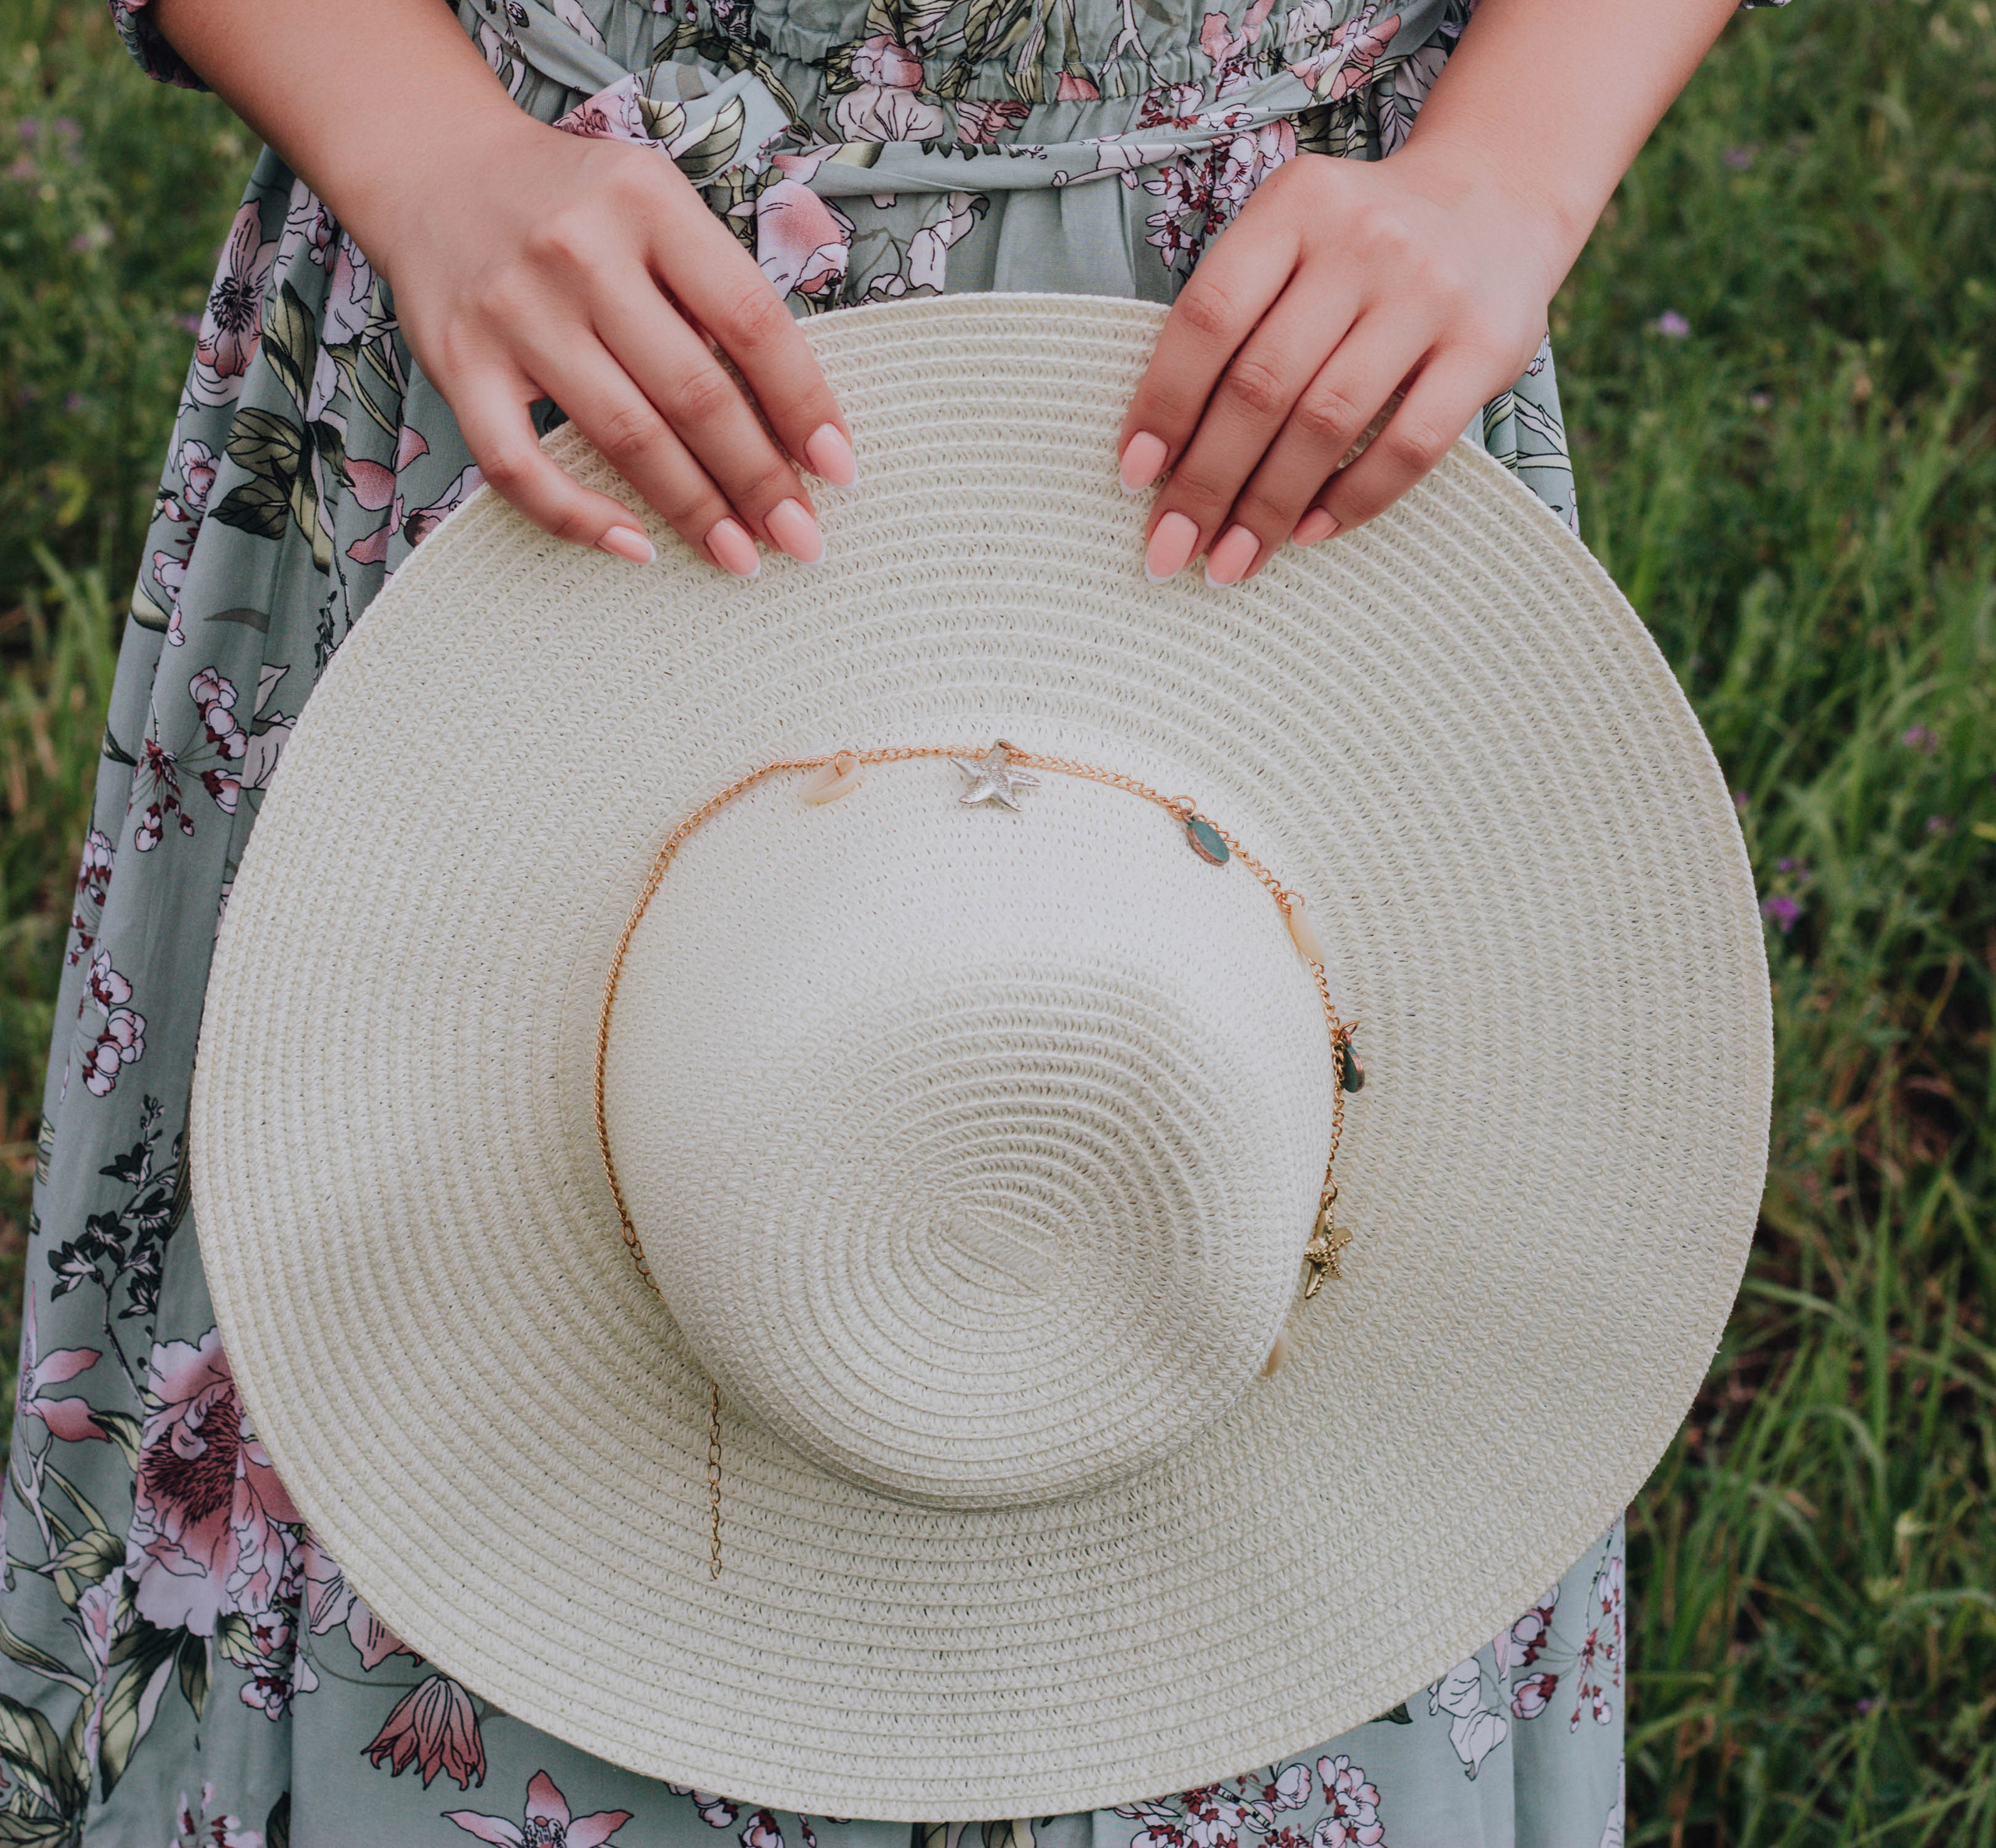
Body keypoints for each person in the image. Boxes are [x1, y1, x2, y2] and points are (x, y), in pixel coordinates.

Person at [5, 0, 1773, 1836]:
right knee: (478, 1381)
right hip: (572, 320)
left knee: (1244, 1372)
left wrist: (1513, 161)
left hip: (1281, 362)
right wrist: (418, 145)